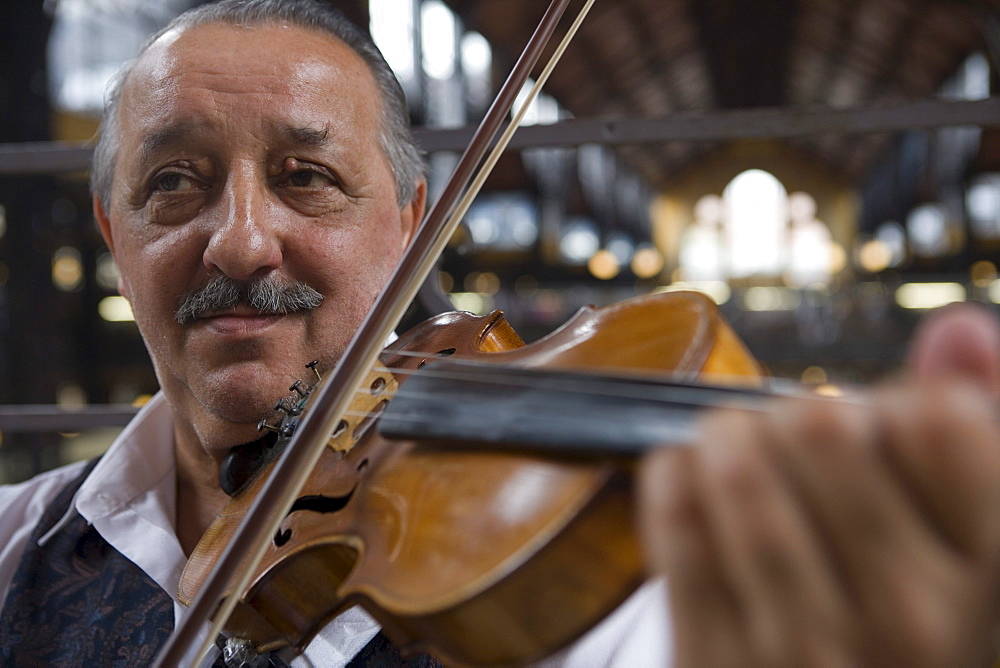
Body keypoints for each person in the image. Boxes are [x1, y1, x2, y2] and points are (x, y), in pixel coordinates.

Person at [0, 0, 998, 666]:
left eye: (307, 177)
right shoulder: (13, 546)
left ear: (407, 224)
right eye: (174, 183)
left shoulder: (615, 604)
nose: (243, 241)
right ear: (113, 233)